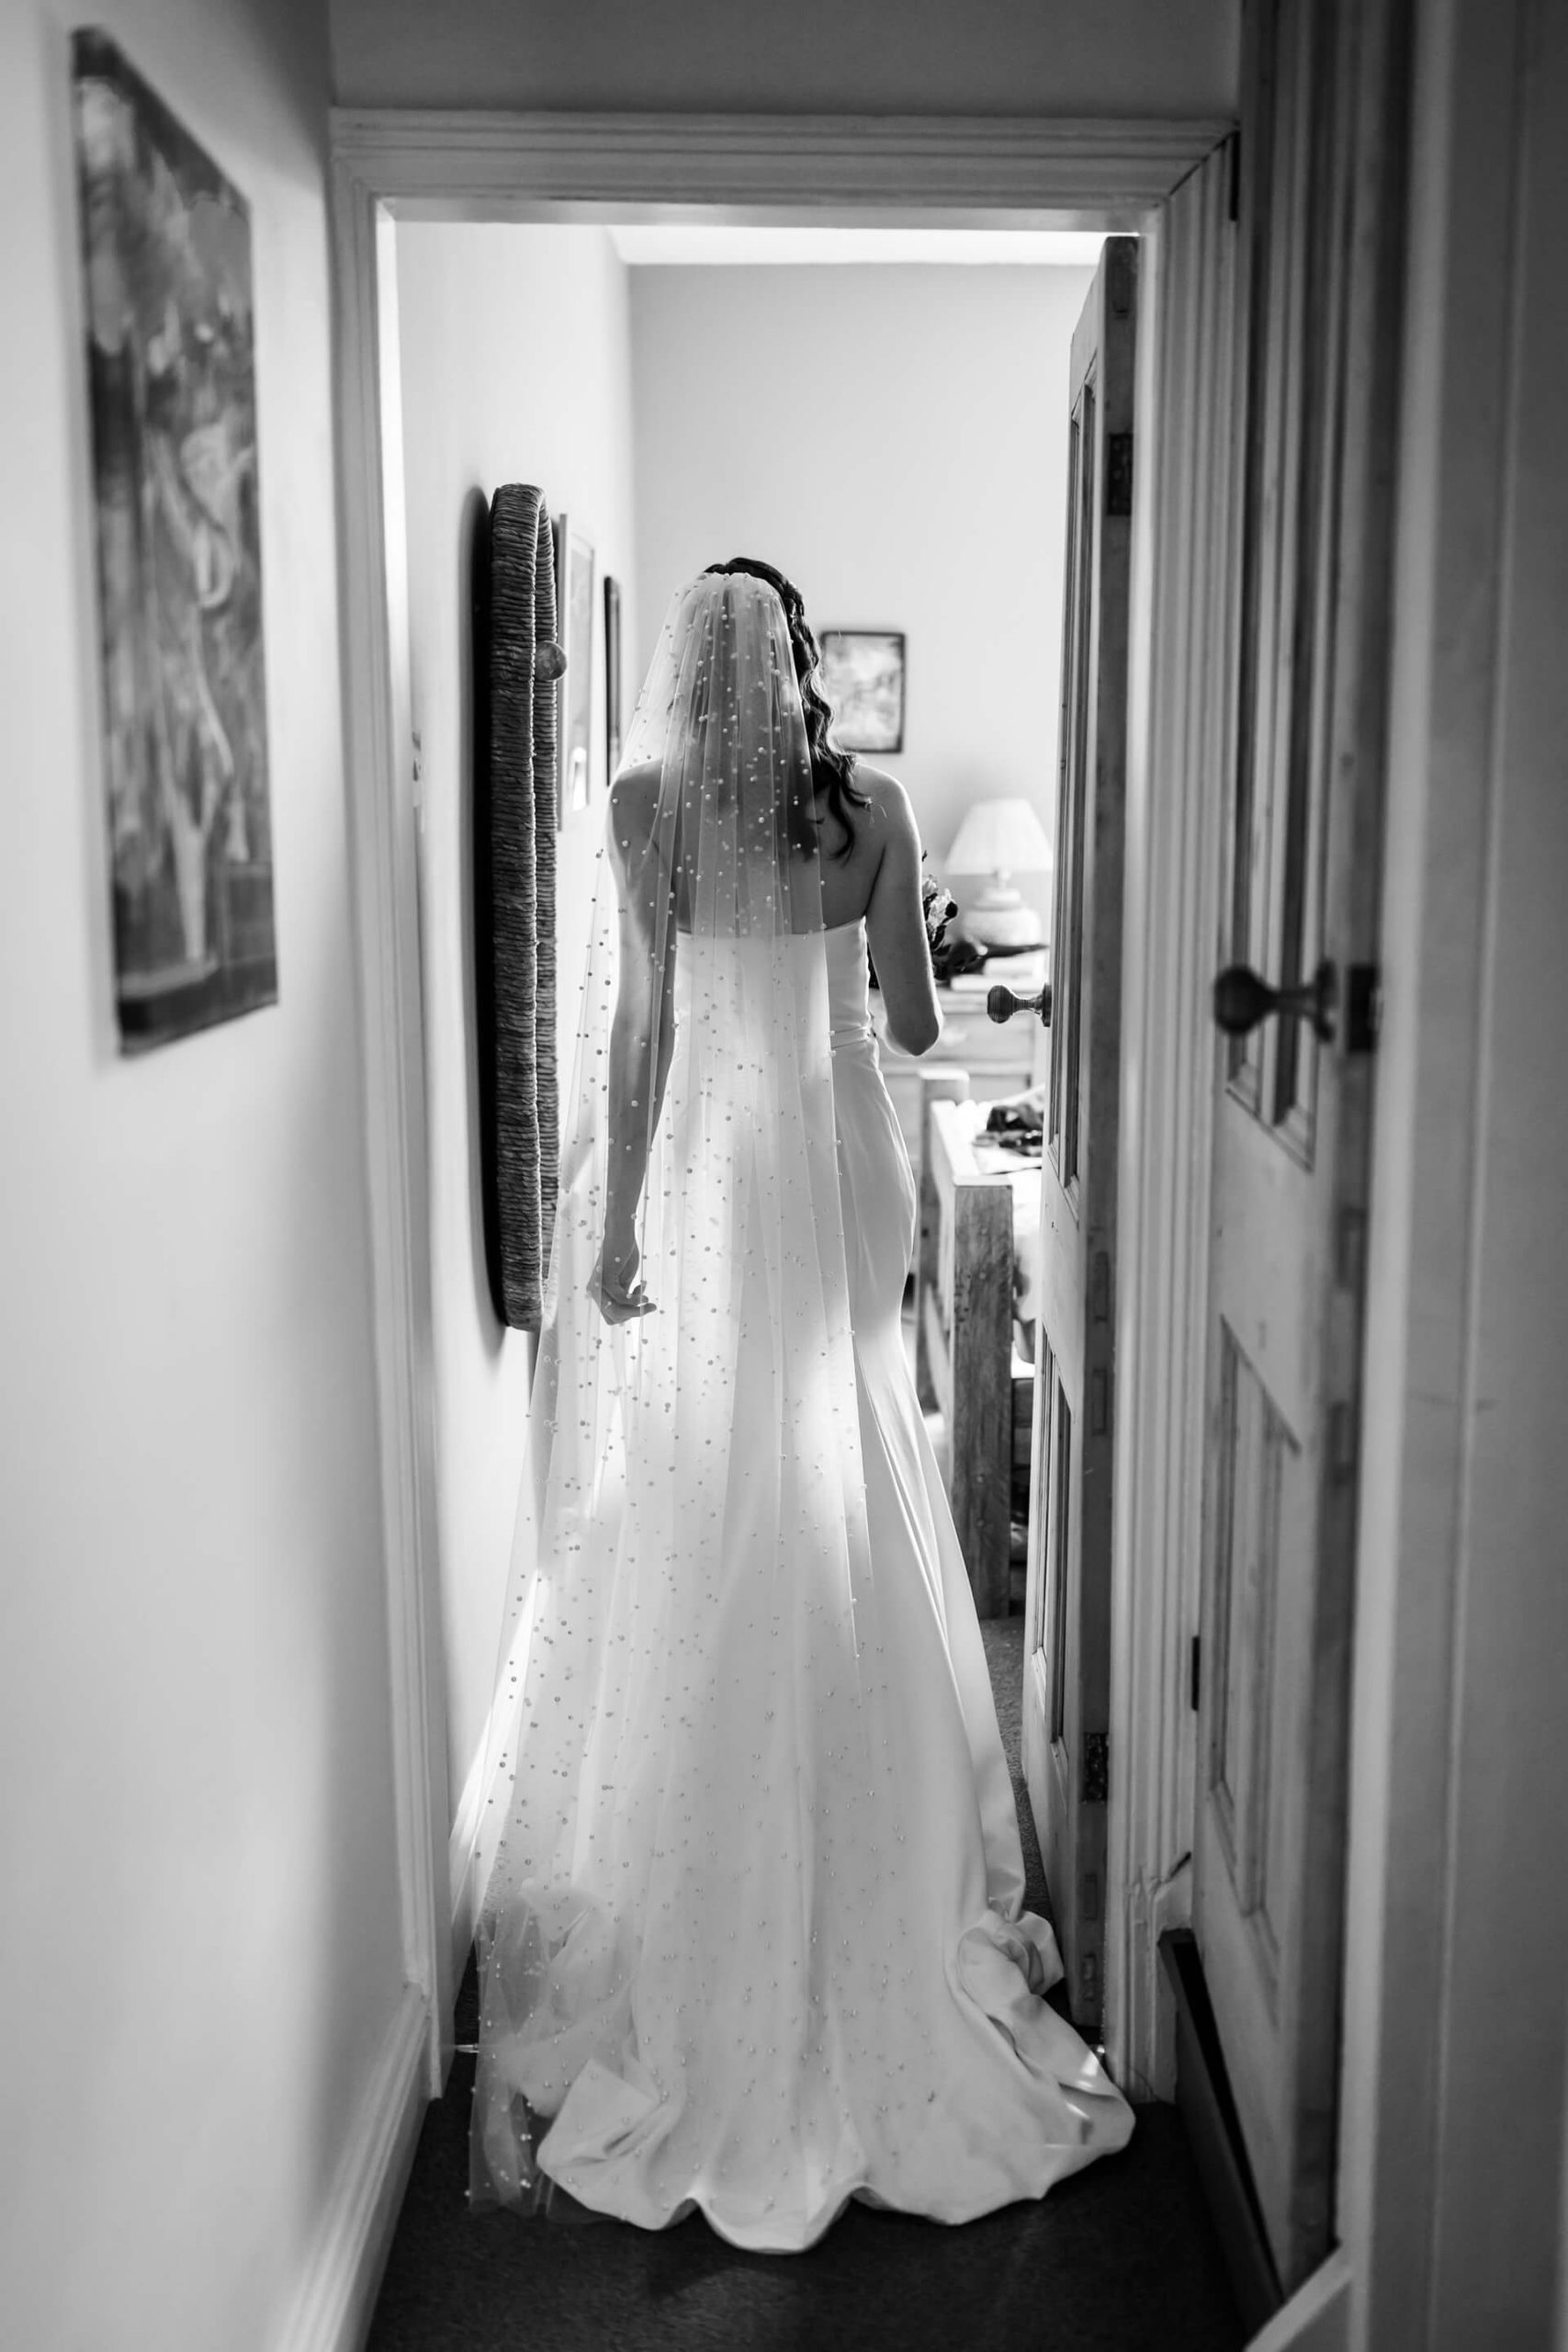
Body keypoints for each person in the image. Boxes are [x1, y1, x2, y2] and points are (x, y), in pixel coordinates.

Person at [468, 561, 1133, 2251]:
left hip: (709, 1172)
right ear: (795, 667)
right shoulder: (878, 809)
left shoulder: (642, 803)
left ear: (690, 675)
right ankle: (883, 1824)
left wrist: (617, 1222)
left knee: (715, 1477)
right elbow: (912, 1025)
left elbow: (636, 1035)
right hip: (840, 1172)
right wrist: (894, 966)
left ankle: (720, 1831)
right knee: (847, 1451)